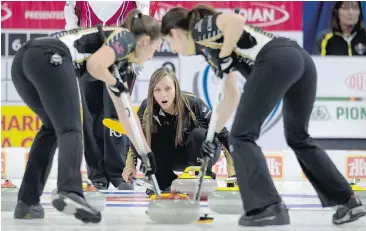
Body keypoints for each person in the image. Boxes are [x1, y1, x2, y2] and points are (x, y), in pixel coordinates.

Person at [161, 4, 365, 227]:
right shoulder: (210, 51)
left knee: (241, 136)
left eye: (170, 43)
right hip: (299, 61)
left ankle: (268, 206)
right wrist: (212, 135)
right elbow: (230, 97)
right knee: (298, 138)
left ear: (175, 33)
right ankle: (348, 200)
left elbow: (234, 22)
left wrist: (226, 54)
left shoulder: (200, 29)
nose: (174, 49)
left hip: (276, 59)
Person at [11, 9, 161, 223]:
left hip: (25, 60)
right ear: (145, 41)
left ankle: (27, 203)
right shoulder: (126, 38)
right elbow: (94, 65)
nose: (151, 56)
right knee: (71, 128)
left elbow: (124, 111)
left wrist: (145, 152)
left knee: (51, 129)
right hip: (49, 55)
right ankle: (69, 190)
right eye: (155, 49)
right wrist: (113, 81)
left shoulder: (119, 61)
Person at [64, 1, 151, 190]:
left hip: (123, 53)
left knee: (118, 113)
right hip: (86, 51)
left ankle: (118, 172)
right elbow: (71, 18)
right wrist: (73, 46)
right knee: (91, 113)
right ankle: (96, 173)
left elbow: (143, 20)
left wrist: (138, 61)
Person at [121, 67, 236, 194]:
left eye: (168, 88)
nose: (163, 95)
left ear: (176, 88)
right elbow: (135, 139)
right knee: (147, 135)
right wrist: (130, 166)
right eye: (157, 90)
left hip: (199, 154)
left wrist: (233, 172)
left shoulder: (193, 103)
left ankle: (202, 177)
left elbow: (223, 135)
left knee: (199, 134)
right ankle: (164, 182)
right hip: (170, 157)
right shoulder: (147, 108)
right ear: (151, 92)